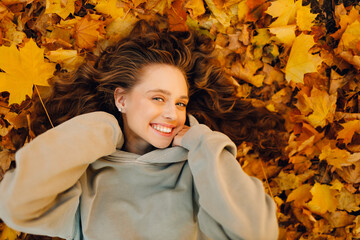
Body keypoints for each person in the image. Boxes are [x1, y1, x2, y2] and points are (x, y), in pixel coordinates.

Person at [0, 21, 286, 240]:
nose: (172, 113)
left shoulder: (200, 169)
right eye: (158, 98)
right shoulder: (86, 179)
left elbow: (257, 231)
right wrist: (105, 127)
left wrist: (201, 140)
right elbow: (16, 204)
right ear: (121, 99)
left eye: (180, 103)